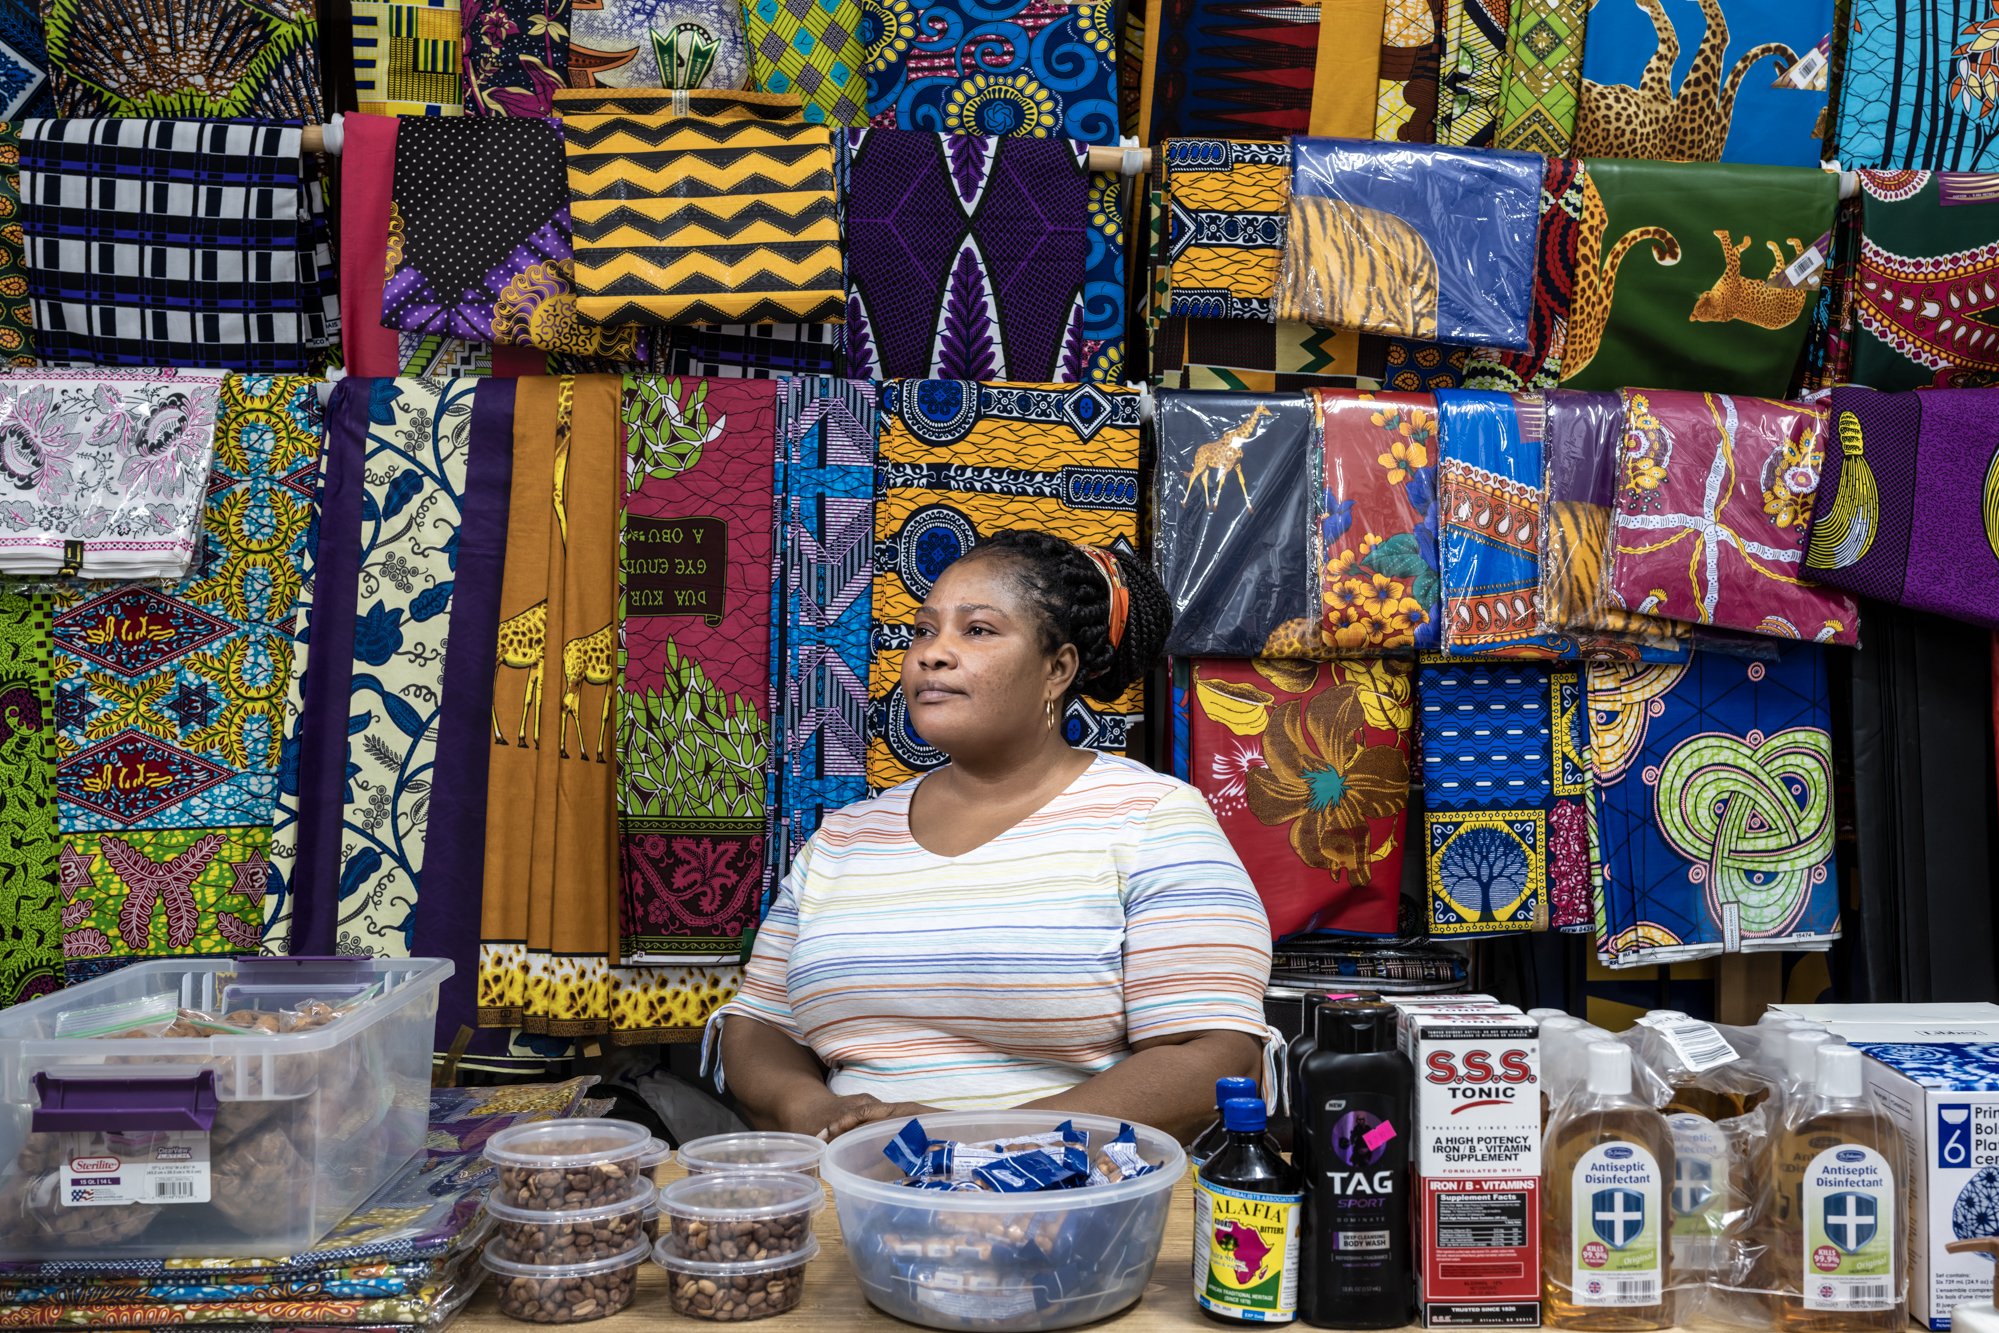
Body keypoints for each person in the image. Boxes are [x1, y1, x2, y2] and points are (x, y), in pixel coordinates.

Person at [711, 528, 1273, 1144]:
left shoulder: (1152, 819)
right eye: (925, 630)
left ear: (1057, 669)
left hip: (1070, 1205)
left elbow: (1216, 1056)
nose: (932, 653)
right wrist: (809, 1110)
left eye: (976, 630)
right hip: (852, 1197)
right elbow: (758, 1025)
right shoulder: (845, 838)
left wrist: (977, 1140)